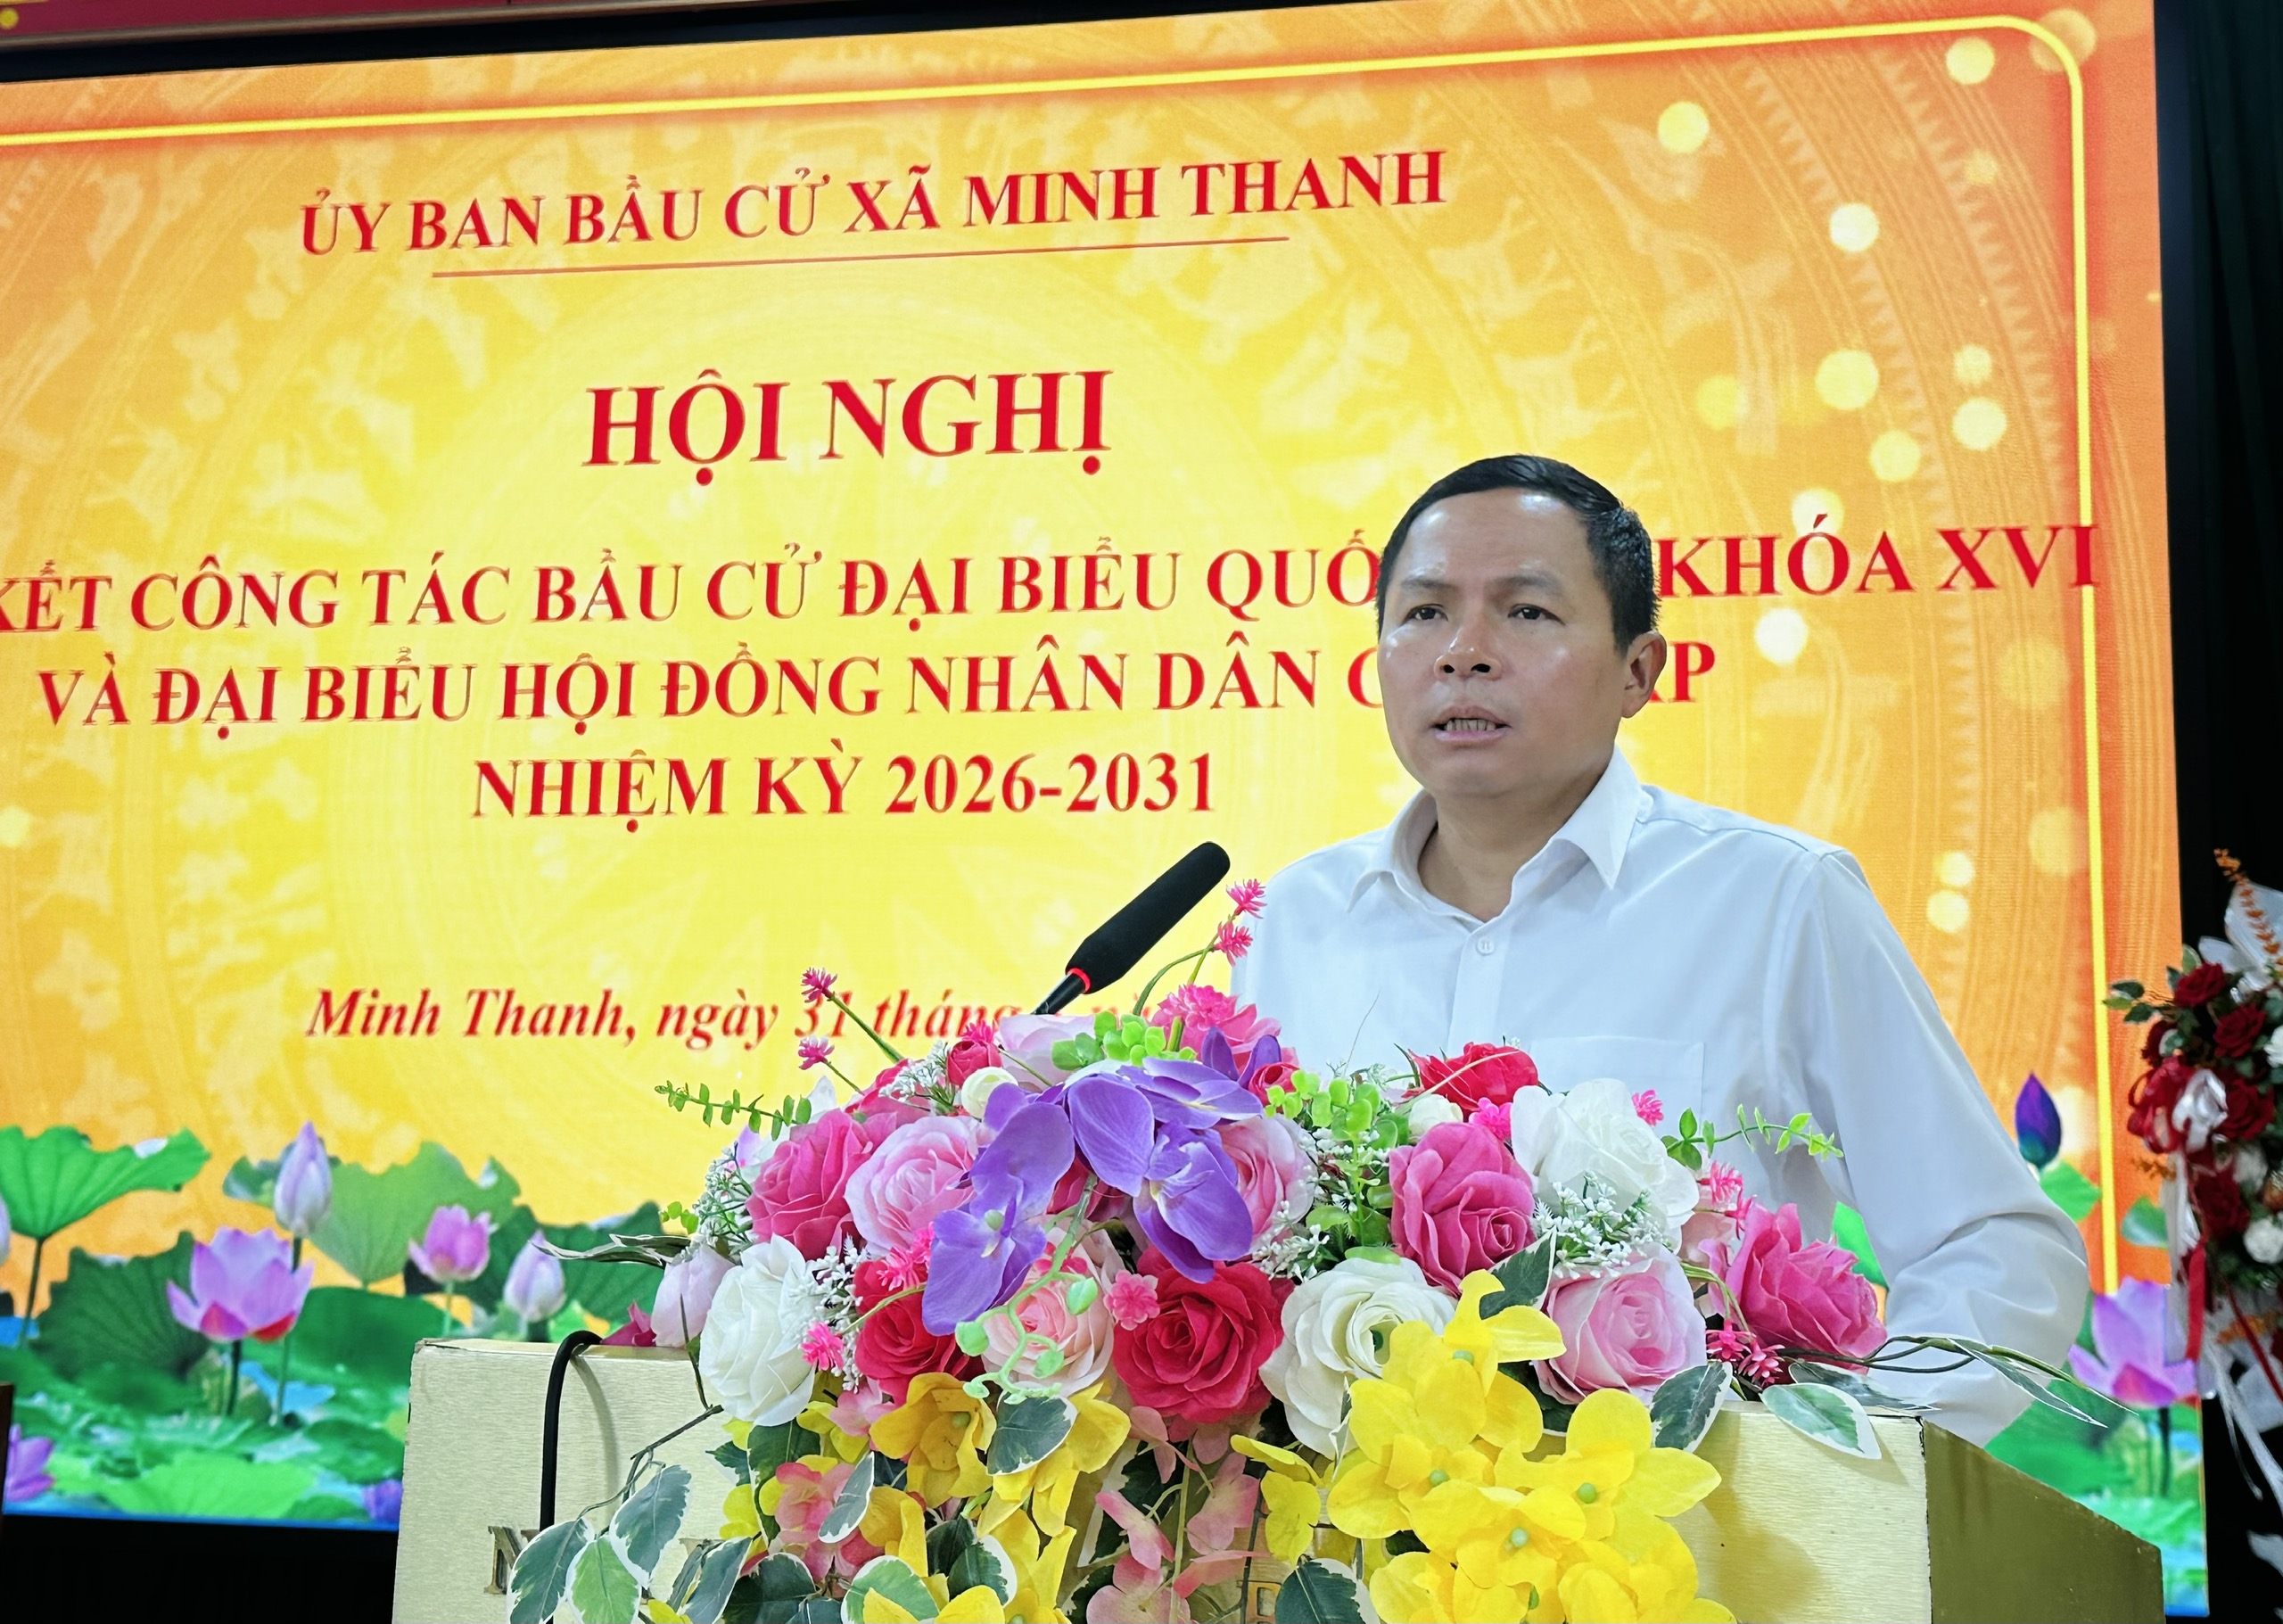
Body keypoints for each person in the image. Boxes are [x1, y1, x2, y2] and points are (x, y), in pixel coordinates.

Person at [1233, 454, 2087, 1442]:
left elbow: (1995, 1247)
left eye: (1526, 611)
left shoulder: (1775, 900)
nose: (1463, 653)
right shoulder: (1294, 920)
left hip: (1695, 1527)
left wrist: (1850, 1467)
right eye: (1424, 613)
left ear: (1639, 671)